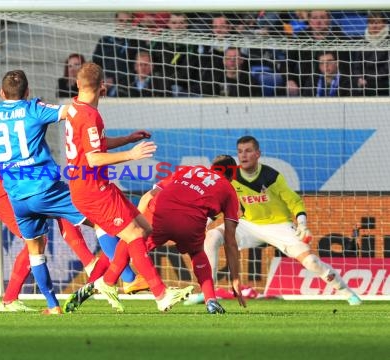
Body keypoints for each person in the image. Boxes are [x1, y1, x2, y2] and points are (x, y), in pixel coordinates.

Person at [0, 69, 99, 314]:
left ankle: (90, 267)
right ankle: (11, 298)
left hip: (6, 184)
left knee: (53, 219)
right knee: (38, 239)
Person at [62, 62, 194, 313]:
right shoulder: (91, 115)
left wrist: (127, 139)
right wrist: (131, 154)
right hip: (92, 189)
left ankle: (108, 281)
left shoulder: (75, 109)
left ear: (78, 84)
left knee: (144, 229)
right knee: (133, 235)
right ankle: (161, 294)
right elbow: (94, 158)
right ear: (103, 87)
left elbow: (95, 145)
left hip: (96, 185)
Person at [201, 136, 362, 306]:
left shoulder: (272, 176)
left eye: (248, 151)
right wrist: (204, 223)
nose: (243, 155)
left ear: (257, 154)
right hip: (248, 224)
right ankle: (209, 295)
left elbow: (295, 201)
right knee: (211, 237)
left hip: (279, 226)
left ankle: (348, 293)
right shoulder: (232, 177)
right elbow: (220, 203)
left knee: (312, 262)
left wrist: (302, 223)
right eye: (240, 152)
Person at [137, 155, 247, 314]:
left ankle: (107, 280)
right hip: (190, 224)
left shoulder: (190, 170)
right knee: (197, 253)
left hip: (161, 215)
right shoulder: (228, 190)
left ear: (211, 168)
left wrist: (136, 228)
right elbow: (230, 241)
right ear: (233, 175)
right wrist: (235, 279)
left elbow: (147, 196)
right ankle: (211, 300)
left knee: (131, 244)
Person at [352, 11, 390, 96]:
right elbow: (357, 65)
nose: (374, 26)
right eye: (371, 22)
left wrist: (367, 78)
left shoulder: (388, 40)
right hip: (365, 82)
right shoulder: (362, 41)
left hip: (383, 81)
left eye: (378, 22)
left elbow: (387, 68)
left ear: (385, 24)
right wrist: (360, 78)